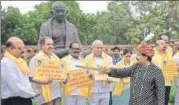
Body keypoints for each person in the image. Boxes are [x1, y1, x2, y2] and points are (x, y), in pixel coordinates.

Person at [101, 42, 165, 105]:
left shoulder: (156, 71)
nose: (136, 57)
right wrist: (109, 71)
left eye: (138, 55)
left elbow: (161, 92)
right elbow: (123, 72)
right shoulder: (135, 66)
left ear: (146, 57)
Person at [1, 37, 39, 105]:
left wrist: (31, 91)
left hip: (24, 99)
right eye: (19, 48)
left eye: (23, 48)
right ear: (10, 49)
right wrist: (32, 93)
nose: (23, 50)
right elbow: (16, 88)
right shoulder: (6, 63)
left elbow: (24, 83)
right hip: (14, 101)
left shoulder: (20, 62)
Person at [29, 36, 61, 105]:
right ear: (42, 46)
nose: (51, 46)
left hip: (56, 93)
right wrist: (44, 81)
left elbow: (60, 73)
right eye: (48, 44)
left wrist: (64, 79)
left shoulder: (56, 59)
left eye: (52, 44)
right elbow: (30, 77)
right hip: (43, 95)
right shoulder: (35, 59)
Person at [85, 40, 113, 105]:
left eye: (101, 48)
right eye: (97, 48)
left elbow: (112, 72)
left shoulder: (109, 58)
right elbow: (85, 72)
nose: (99, 49)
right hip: (93, 89)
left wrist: (110, 77)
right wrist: (88, 75)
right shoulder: (87, 58)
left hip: (105, 89)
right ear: (92, 48)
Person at [152, 40, 177, 105]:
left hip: (168, 82)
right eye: (162, 44)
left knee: (165, 101)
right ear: (157, 46)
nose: (165, 45)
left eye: (165, 44)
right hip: (157, 83)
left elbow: (172, 66)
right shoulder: (153, 56)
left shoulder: (168, 54)